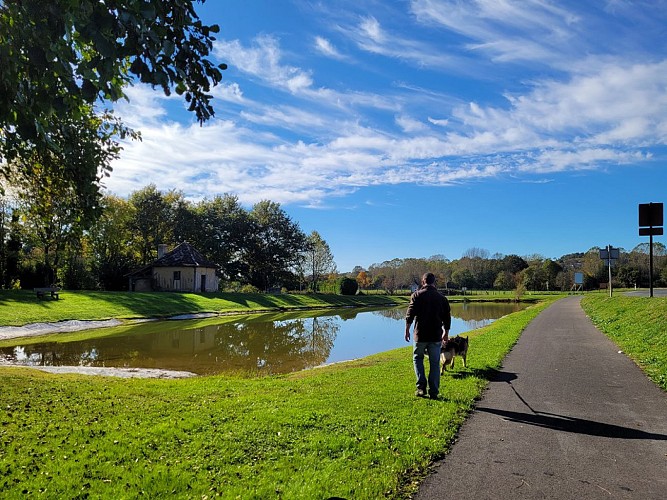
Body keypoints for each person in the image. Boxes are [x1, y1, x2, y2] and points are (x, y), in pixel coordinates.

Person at [405, 272, 451, 399]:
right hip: (435, 335)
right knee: (435, 363)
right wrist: (446, 333)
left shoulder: (416, 295)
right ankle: (434, 391)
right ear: (433, 282)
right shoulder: (442, 298)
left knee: (417, 358)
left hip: (420, 335)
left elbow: (410, 313)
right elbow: (447, 317)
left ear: (423, 281)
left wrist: (407, 329)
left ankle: (421, 388)